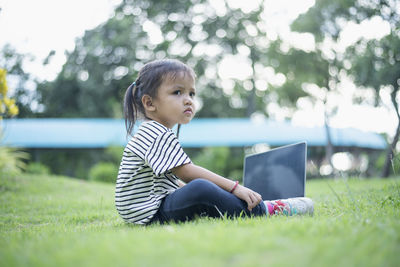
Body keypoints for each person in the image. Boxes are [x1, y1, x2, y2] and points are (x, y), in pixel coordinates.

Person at [115, 59, 313, 225]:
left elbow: (168, 181)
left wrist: (224, 192)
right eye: (177, 92)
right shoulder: (154, 132)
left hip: (145, 211)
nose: (188, 100)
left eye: (191, 93)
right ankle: (268, 209)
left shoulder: (154, 131)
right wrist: (235, 188)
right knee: (201, 187)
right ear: (149, 103)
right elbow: (187, 172)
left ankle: (247, 201)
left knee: (202, 190)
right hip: (149, 213)